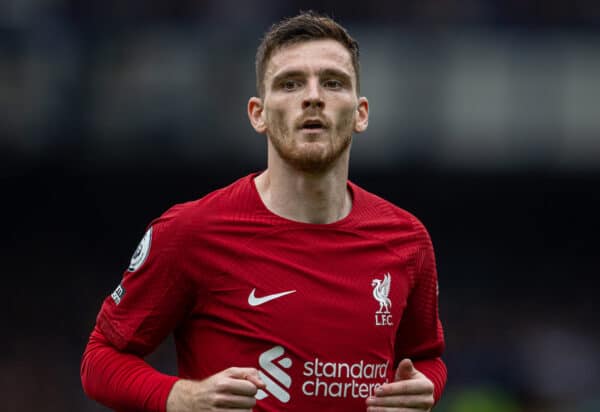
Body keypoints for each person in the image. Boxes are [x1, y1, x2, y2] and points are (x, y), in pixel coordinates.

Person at [81, 11, 447, 412]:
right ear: (258, 114)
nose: (312, 96)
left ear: (360, 113)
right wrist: (181, 397)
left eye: (332, 82)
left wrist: (424, 387)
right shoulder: (192, 231)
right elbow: (100, 360)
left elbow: (426, 357)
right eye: (290, 84)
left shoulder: (407, 240)